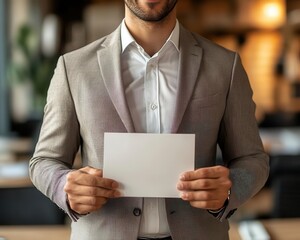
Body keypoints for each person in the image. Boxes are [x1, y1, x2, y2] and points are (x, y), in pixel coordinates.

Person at [29, 0, 269, 239]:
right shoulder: (73, 68)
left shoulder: (226, 66)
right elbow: (44, 161)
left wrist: (230, 189)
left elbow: (253, 160)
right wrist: (65, 186)